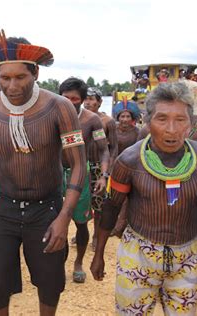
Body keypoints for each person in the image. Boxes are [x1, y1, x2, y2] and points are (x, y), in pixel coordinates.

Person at [90, 82, 197, 315]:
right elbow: (111, 209)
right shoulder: (129, 161)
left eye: (180, 120)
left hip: (188, 254)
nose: (171, 129)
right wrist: (99, 253)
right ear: (148, 122)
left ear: (191, 124)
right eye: (162, 119)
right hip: (138, 255)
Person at [0, 30, 86, 315]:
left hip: (47, 208)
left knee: (49, 281)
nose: (12, 86)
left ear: (35, 73)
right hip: (4, 206)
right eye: (4, 78)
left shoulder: (59, 107)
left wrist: (63, 218)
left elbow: (79, 165)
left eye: (20, 77)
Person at [59, 77, 109, 283]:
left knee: (81, 224)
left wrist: (104, 176)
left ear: (82, 99)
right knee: (54, 223)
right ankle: (56, 265)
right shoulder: (51, 115)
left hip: (80, 174)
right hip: (53, 174)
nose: (70, 102)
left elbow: (104, 149)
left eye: (75, 98)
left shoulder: (91, 120)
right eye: (66, 98)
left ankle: (78, 262)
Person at [83, 86, 118, 250]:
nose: (88, 102)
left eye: (91, 99)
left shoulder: (107, 121)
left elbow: (113, 149)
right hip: (83, 165)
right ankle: (81, 232)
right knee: (80, 202)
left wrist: (106, 173)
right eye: (86, 99)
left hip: (99, 166)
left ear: (99, 102)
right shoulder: (79, 119)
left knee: (98, 204)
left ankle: (96, 236)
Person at [110, 98, 141, 238]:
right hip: (113, 166)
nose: (125, 119)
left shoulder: (137, 132)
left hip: (131, 168)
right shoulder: (112, 130)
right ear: (117, 117)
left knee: (127, 197)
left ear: (132, 117)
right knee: (111, 196)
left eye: (128, 116)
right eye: (122, 116)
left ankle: (120, 224)